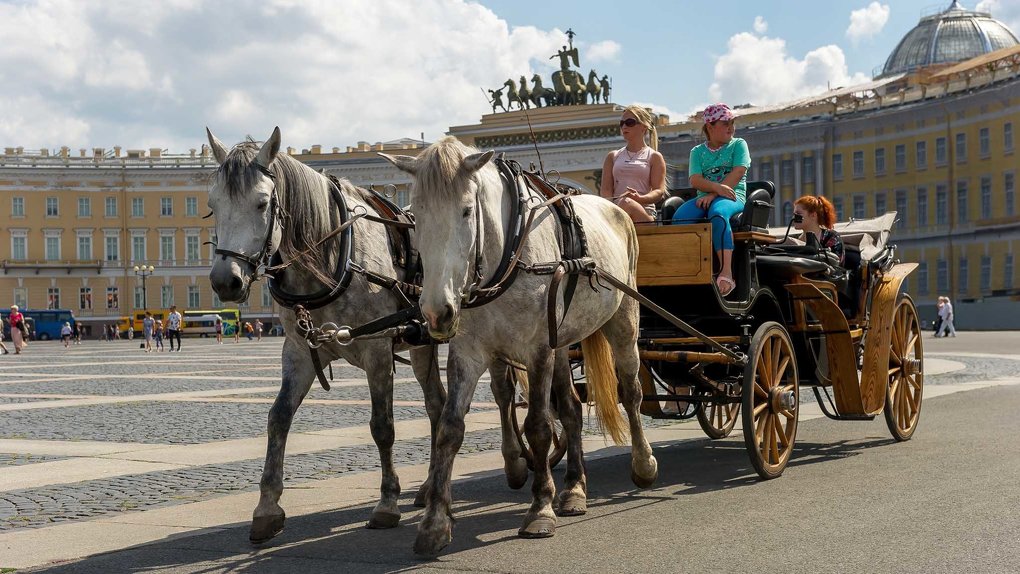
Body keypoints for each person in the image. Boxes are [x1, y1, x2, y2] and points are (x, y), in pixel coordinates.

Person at [672, 103, 751, 297]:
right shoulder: (697, 152)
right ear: (710, 126)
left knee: (718, 213)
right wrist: (715, 189)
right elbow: (695, 179)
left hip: (733, 196)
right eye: (725, 123)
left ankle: (726, 273)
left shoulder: (739, 144)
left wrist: (714, 194)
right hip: (705, 198)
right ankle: (689, 268)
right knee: (678, 218)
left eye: (732, 122)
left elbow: (739, 171)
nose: (730, 127)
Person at [600, 105, 667, 224]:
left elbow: (658, 191)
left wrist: (639, 198)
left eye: (630, 122)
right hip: (616, 213)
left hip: (644, 214)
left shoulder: (654, 157)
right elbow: (606, 191)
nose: (624, 126)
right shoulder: (613, 156)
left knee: (627, 202)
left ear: (644, 127)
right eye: (622, 123)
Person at [793, 195, 844, 265]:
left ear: (813, 215)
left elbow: (837, 265)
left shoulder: (831, 237)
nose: (794, 217)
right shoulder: (794, 240)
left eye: (798, 213)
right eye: (794, 214)